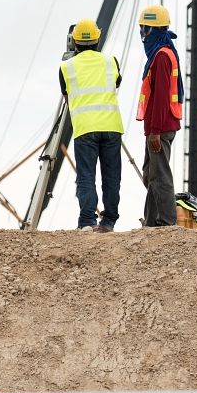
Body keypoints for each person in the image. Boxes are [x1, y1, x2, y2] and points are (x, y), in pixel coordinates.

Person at [59, 18, 123, 232]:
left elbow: (67, 98)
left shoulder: (66, 67)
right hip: (111, 126)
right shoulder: (110, 61)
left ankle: (87, 221)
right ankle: (109, 222)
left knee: (86, 176)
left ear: (74, 42)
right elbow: (116, 84)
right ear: (98, 39)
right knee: (111, 176)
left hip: (85, 128)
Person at [135, 5, 183, 227]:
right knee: (151, 174)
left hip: (160, 127)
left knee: (159, 175)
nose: (142, 33)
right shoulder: (160, 53)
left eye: (144, 28)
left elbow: (162, 96)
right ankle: (152, 221)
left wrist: (155, 131)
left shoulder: (162, 56)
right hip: (157, 126)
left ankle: (166, 221)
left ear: (150, 30)